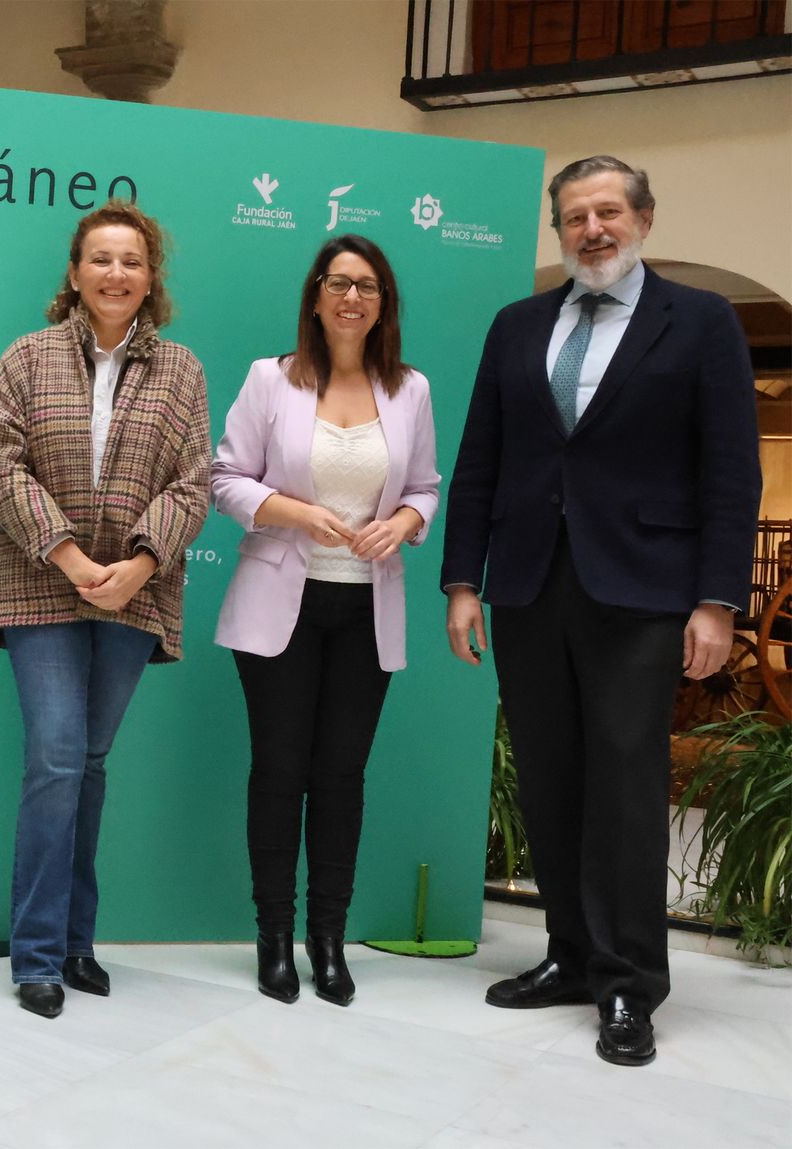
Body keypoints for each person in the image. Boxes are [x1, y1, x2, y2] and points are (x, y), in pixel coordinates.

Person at [442, 156, 761, 1067]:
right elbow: (481, 461)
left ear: (644, 220)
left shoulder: (700, 323)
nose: (593, 229)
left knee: (623, 785)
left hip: (647, 588)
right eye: (575, 216)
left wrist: (715, 599)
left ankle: (628, 984)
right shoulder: (517, 325)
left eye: (609, 211)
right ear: (560, 231)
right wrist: (464, 580)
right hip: (531, 583)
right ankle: (571, 955)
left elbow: (731, 473)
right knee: (550, 775)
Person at [0, 200, 211, 1019]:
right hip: (40, 579)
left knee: (90, 761)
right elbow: (2, 468)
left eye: (133, 261)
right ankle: (37, 953)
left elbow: (194, 483)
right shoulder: (26, 357)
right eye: (101, 258)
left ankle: (77, 940)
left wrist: (138, 565)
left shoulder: (180, 370)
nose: (117, 273)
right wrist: (73, 557)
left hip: (133, 590)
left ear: (152, 281)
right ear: (74, 272)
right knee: (56, 755)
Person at [211, 234, 440, 1006]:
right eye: (339, 283)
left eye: (368, 286)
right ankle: (273, 936)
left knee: (341, 778)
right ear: (315, 296)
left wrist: (405, 519)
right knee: (279, 773)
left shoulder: (410, 389)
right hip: (282, 602)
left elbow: (428, 487)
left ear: (384, 305)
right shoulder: (269, 379)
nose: (352, 297)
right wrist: (294, 511)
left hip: (366, 608)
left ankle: (328, 939)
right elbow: (225, 478)